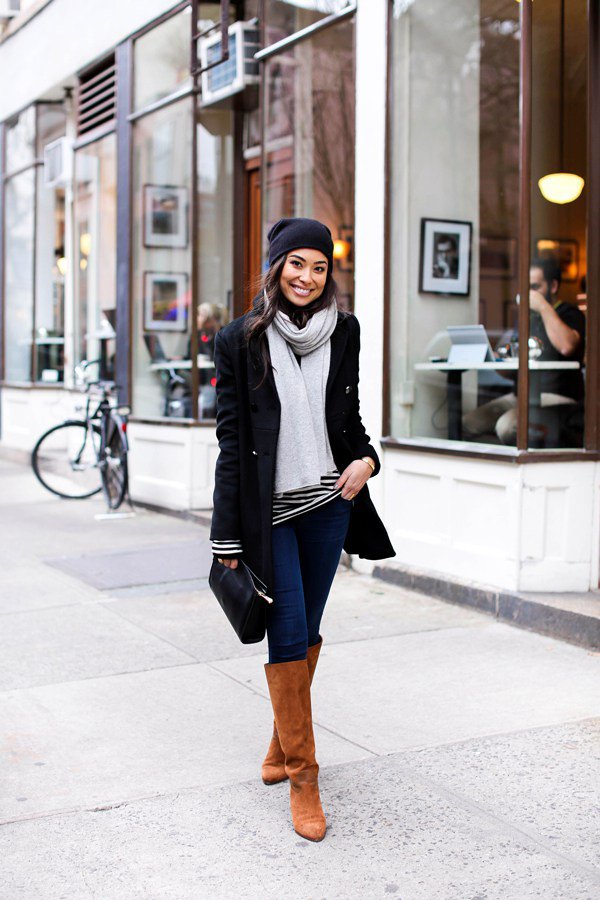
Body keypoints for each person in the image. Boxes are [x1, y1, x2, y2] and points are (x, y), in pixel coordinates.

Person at [210, 217, 395, 842]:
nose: (307, 278)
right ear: (275, 267)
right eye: (297, 265)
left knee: (308, 630)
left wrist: (367, 460)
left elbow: (351, 416)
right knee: (286, 630)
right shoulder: (239, 340)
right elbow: (232, 441)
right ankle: (304, 778)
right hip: (271, 513)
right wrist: (225, 536)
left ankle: (280, 741)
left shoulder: (345, 331)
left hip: (330, 502)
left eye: (319, 268)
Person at [463, 257, 585, 444]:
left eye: (535, 287)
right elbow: (512, 366)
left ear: (553, 286)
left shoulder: (569, 313)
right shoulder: (525, 319)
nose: (530, 293)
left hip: (559, 396)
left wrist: (543, 306)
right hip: (521, 395)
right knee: (469, 423)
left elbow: (566, 346)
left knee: (507, 426)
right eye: (527, 288)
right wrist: (495, 360)